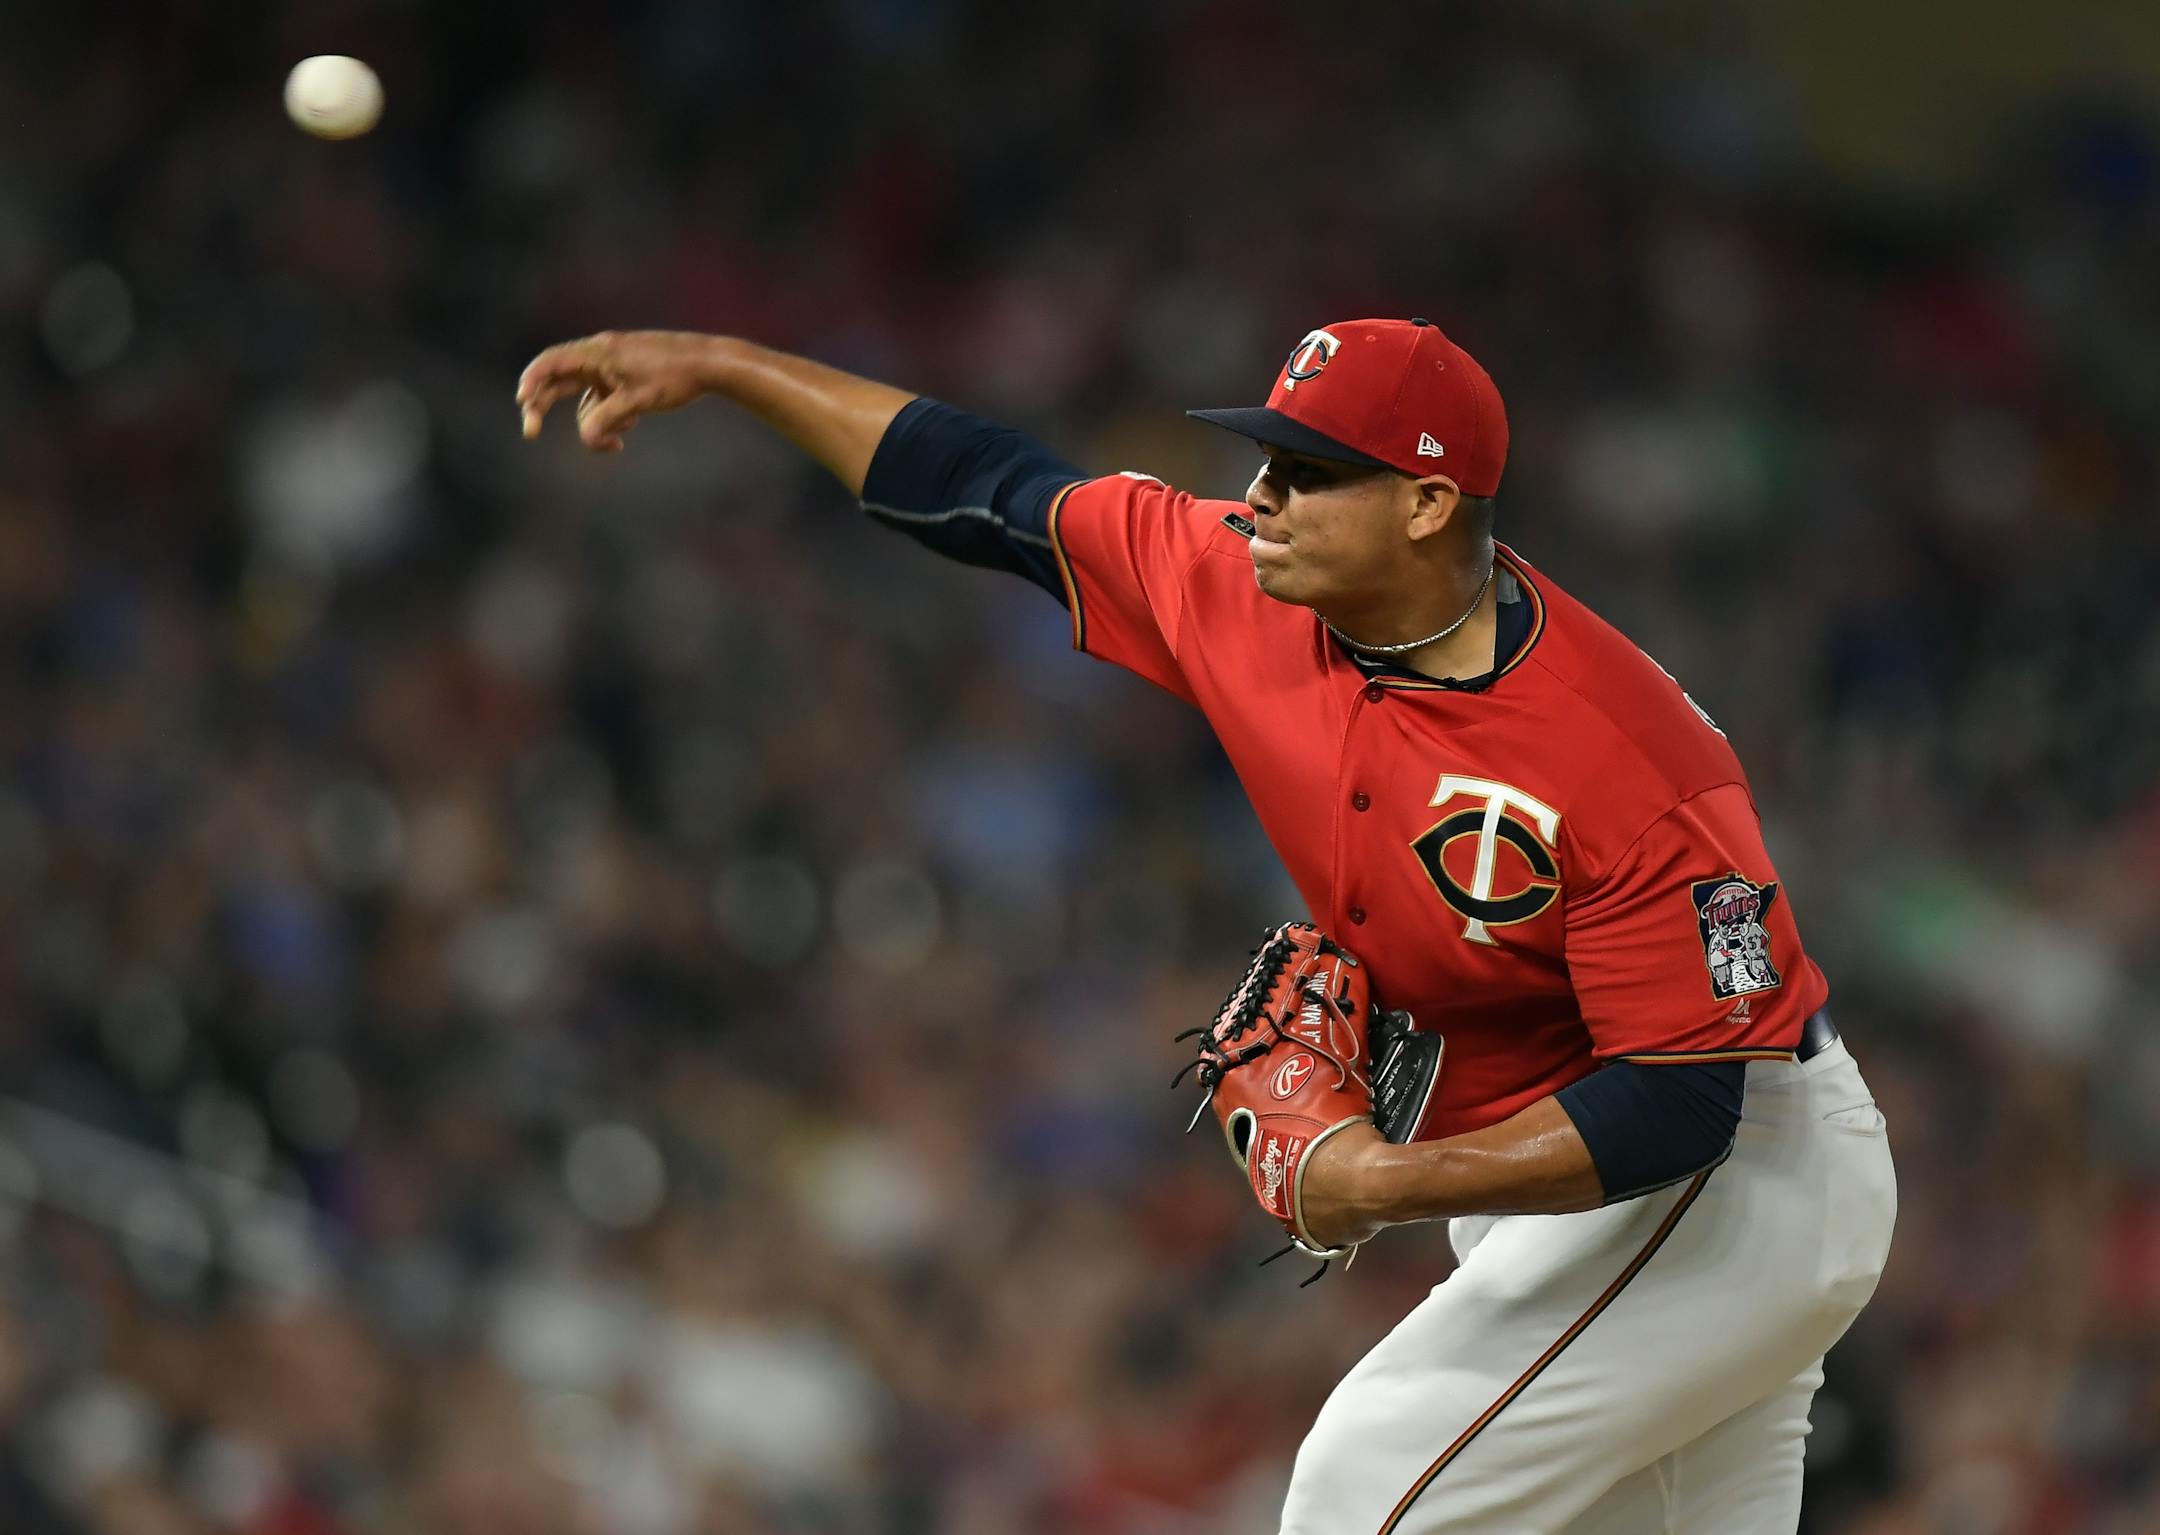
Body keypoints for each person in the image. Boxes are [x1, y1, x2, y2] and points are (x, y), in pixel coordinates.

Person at [517, 319, 1897, 1534]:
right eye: (1266, 458)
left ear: (1424, 504)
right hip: (1593, 1185)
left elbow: (1680, 1106)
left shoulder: (1623, 758)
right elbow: (982, 488)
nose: (1260, 494)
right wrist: (728, 367)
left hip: (1728, 1184)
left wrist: (1370, 1185)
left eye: (1307, 471)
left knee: (1362, 1483)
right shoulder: (1240, 581)